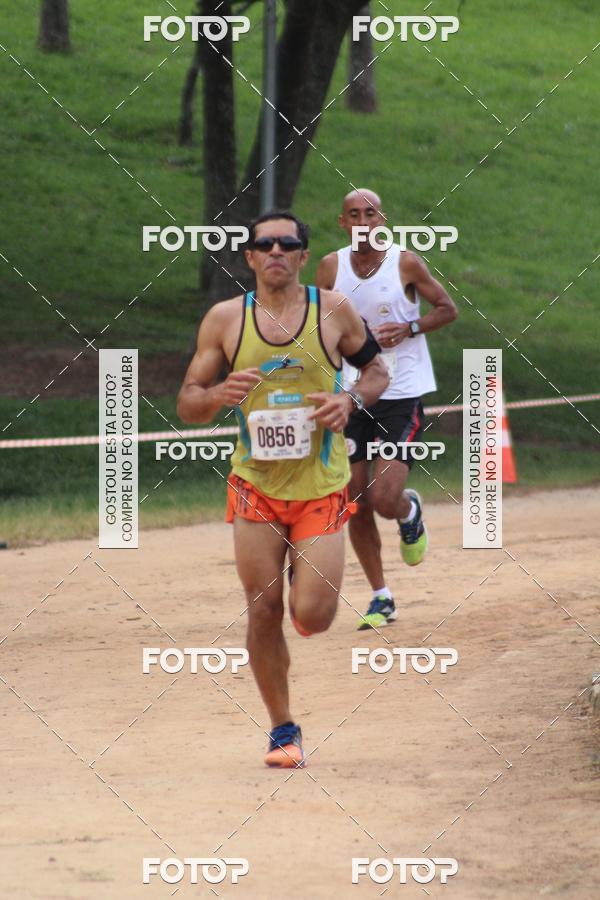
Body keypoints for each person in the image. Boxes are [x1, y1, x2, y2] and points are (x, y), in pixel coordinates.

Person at [177, 211, 389, 767]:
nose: (276, 251)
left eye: (287, 243)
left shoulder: (334, 310)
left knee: (313, 617)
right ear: (249, 257)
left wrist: (349, 400)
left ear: (302, 255)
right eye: (265, 244)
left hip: (321, 486)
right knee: (262, 608)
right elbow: (188, 402)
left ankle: (305, 572)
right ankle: (282, 730)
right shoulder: (226, 320)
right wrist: (218, 394)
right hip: (257, 487)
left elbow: (377, 373)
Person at [315, 189, 457, 631]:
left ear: (382, 220)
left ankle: (407, 510)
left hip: (402, 392)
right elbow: (317, 328)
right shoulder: (330, 268)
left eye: (370, 214)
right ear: (342, 223)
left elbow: (447, 309)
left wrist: (410, 326)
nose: (363, 222)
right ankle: (381, 597)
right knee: (355, 502)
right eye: (353, 215)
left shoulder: (405, 263)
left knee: (383, 498)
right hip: (353, 394)